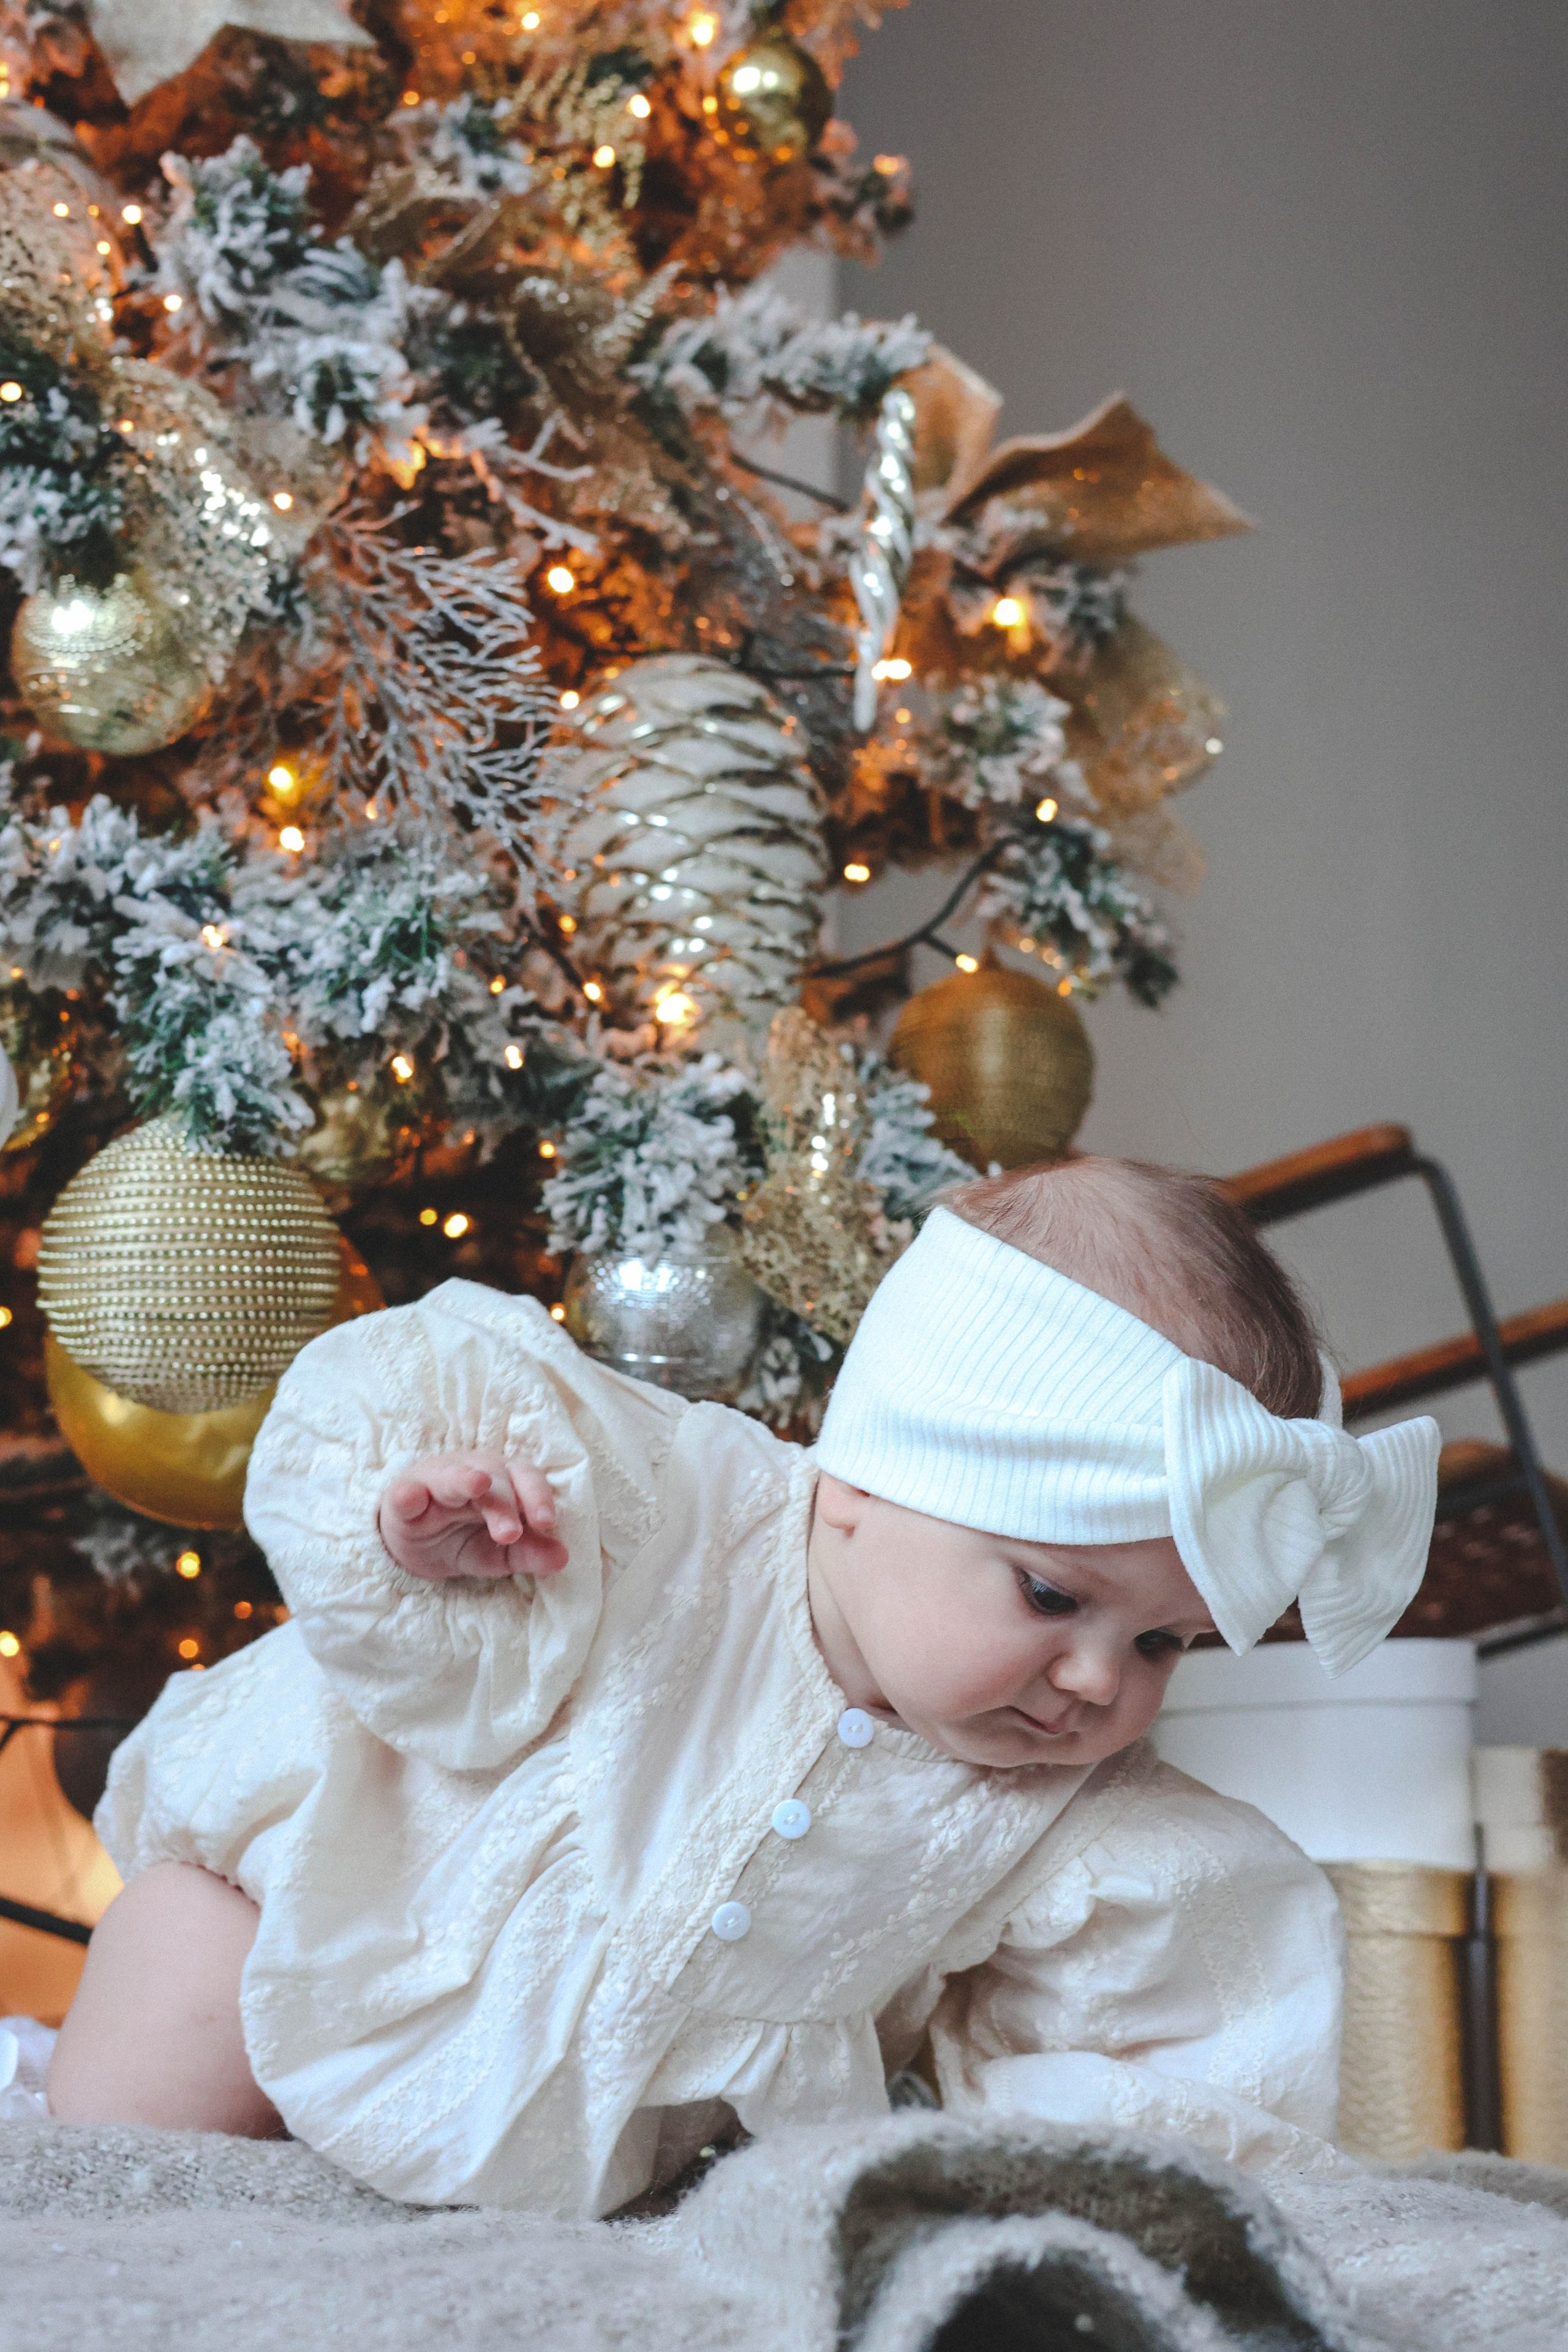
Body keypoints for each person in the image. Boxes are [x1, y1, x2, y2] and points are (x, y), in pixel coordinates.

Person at [47, 1159, 1440, 2217]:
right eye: (1052, 1596)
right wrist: (437, 1529)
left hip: (600, 2153)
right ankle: (97, 2203)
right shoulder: (668, 1507)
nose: (1093, 1682)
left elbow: (1183, 2005)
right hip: (348, 1923)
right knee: (180, 1990)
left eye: (1162, 1645)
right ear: (860, 1486)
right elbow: (432, 1461)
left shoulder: (1064, 1811)